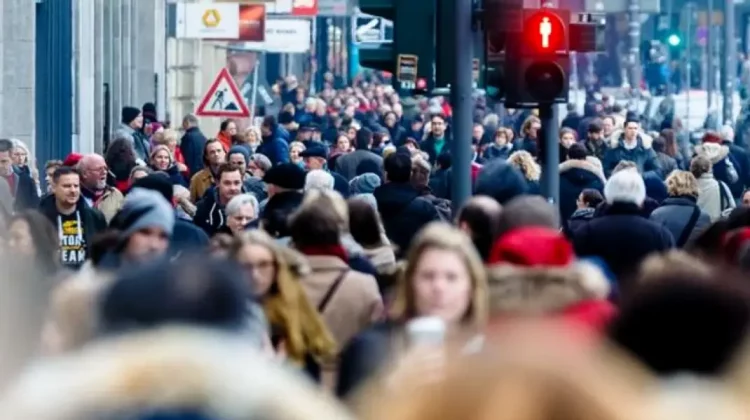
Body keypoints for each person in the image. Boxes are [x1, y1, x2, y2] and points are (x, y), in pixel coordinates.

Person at [337, 223, 488, 398]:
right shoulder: (370, 350)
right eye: (428, 276)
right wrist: (392, 388)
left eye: (451, 277)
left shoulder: (490, 356)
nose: (439, 287)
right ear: (410, 283)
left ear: (471, 287)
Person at [229, 230, 337, 380]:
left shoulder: (295, 310)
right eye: (246, 267)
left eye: (263, 265)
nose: (255, 274)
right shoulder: (225, 316)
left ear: (276, 267)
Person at [572, 168, 675, 296]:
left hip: (600, 305)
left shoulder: (586, 232)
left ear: (608, 196)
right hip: (643, 305)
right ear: (641, 198)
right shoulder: (660, 234)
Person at [38, 167, 106, 270]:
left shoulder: (94, 217)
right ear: (54, 187)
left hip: (85, 280)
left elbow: (104, 251)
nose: (73, 190)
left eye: (76, 186)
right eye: (67, 186)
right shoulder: (40, 218)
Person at [373, 152, 440, 258]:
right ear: (410, 174)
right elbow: (436, 240)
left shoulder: (370, 204)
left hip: (380, 265)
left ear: (386, 174)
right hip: (413, 264)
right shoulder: (424, 206)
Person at [101, 188, 176, 267]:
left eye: (163, 236)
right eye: (145, 232)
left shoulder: (175, 278)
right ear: (125, 232)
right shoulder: (93, 277)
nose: (154, 245)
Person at [649, 170, 711, 248]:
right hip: (690, 259)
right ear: (694, 187)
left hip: (664, 259)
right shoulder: (703, 217)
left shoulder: (657, 214)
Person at [7, 210, 62, 277]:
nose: (10, 244)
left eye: (17, 238)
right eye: (9, 238)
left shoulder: (63, 284)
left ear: (37, 241)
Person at [194, 163, 244, 237]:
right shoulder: (202, 209)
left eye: (236, 183)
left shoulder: (251, 207)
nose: (232, 188)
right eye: (227, 183)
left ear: (242, 182)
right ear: (217, 182)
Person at [77, 153, 124, 223]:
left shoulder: (115, 194)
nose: (104, 172)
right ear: (84, 174)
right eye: (99, 169)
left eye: (105, 168)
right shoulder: (74, 194)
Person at [0, 138, 39, 211]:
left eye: (4, 161)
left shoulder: (26, 180)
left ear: (12, 158)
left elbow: (34, 208)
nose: (0, 165)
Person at [189, 138, 226, 203]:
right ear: (207, 156)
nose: (216, 154)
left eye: (219, 151)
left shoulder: (233, 174)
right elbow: (192, 202)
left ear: (224, 152)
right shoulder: (197, 179)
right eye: (212, 152)